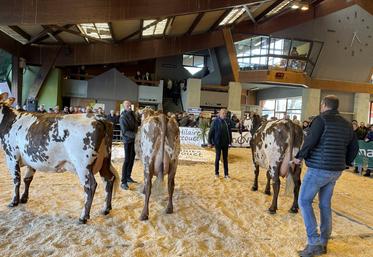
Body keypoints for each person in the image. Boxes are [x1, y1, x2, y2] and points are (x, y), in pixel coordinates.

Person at [293, 95, 359, 257]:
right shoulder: (347, 124)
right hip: (336, 171)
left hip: (318, 169)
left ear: (323, 105)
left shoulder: (320, 120)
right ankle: (323, 242)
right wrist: (346, 162)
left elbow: (311, 141)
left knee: (303, 200)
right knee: (324, 204)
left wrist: (299, 157)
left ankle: (314, 242)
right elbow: (354, 147)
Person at [119, 100, 139, 190]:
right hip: (127, 141)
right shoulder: (123, 117)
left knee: (131, 160)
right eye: (128, 105)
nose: (130, 107)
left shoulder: (132, 114)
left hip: (133, 141)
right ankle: (123, 181)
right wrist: (137, 136)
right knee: (127, 160)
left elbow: (136, 124)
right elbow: (125, 131)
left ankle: (128, 176)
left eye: (130, 105)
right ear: (124, 106)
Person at [208, 109, 232, 179]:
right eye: (223, 113)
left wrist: (230, 142)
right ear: (220, 113)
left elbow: (229, 132)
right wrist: (209, 142)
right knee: (217, 158)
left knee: (225, 159)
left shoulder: (227, 121)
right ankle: (216, 173)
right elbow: (211, 132)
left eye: (225, 113)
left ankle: (226, 174)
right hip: (217, 143)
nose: (225, 115)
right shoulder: (215, 121)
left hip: (225, 143)